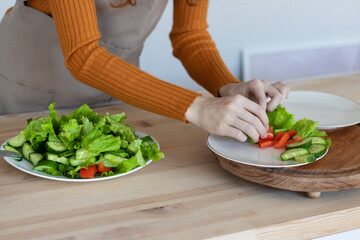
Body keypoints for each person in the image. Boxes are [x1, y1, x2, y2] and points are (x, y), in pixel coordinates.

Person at [0, 0, 289, 143]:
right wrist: (198, 107)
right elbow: (83, 56)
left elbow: (190, 36)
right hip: (26, 94)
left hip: (116, 92)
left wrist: (227, 86)